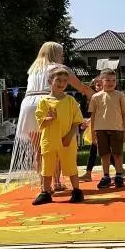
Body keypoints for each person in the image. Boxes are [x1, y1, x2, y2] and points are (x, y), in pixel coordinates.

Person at [7, 41, 93, 188]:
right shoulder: (59, 69)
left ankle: (43, 185)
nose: (63, 57)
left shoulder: (34, 69)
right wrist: (97, 97)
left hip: (28, 105)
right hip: (48, 102)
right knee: (55, 145)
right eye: (61, 54)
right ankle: (57, 182)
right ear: (56, 54)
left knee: (39, 150)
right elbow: (81, 87)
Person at [32, 67, 85, 205]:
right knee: (47, 168)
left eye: (64, 81)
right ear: (50, 81)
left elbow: (77, 122)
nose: (61, 83)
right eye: (58, 80)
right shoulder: (44, 101)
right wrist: (49, 118)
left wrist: (70, 136)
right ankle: (45, 192)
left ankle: (77, 192)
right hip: (49, 141)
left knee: (71, 166)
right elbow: (41, 123)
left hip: (68, 141)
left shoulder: (70, 101)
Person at [88, 69, 125, 189]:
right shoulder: (95, 97)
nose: (111, 83)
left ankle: (119, 175)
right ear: (101, 81)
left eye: (113, 80)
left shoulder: (121, 96)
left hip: (117, 129)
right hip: (100, 129)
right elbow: (93, 116)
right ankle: (106, 176)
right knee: (104, 154)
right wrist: (92, 133)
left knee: (118, 153)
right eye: (107, 80)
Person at [79, 77, 103, 182]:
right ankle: (88, 173)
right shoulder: (93, 97)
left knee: (102, 150)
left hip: (103, 126)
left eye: (102, 84)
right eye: (98, 85)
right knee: (96, 149)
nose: (100, 87)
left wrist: (88, 121)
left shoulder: (104, 97)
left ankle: (119, 170)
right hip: (96, 126)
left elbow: (100, 113)